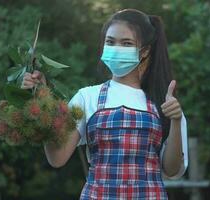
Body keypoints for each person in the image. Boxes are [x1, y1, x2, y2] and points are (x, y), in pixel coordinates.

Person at [21, 8, 188, 200]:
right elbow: (57, 158)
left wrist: (175, 120)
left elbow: (172, 169)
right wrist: (43, 103)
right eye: (110, 42)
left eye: (126, 43)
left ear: (145, 51)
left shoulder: (164, 103)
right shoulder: (87, 97)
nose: (116, 48)